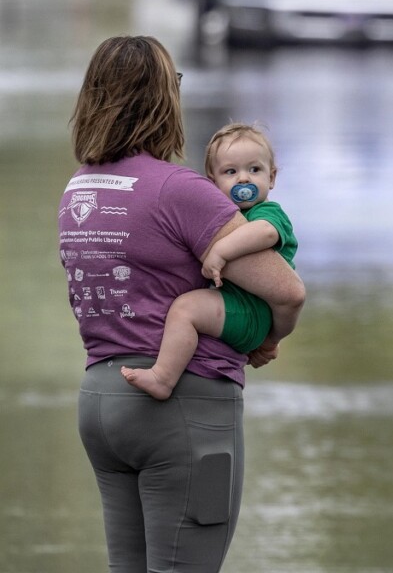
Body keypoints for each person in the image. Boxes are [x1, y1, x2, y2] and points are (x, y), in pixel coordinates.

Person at [58, 36, 305, 573]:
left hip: (102, 401)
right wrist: (270, 338)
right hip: (182, 413)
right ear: (162, 97)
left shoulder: (81, 189)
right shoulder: (181, 190)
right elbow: (286, 289)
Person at [121, 122, 297, 401]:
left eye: (255, 170)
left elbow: (264, 233)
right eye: (231, 171)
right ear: (212, 182)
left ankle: (162, 378)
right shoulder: (220, 214)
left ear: (272, 177)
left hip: (250, 311)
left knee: (185, 309)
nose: (243, 180)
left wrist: (221, 251)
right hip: (240, 308)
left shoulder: (269, 213)